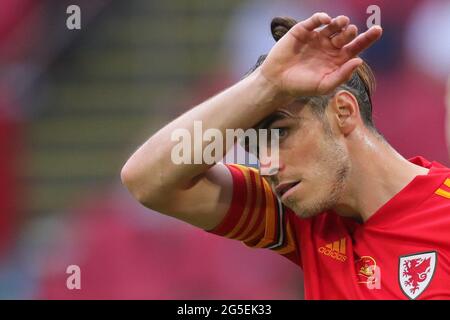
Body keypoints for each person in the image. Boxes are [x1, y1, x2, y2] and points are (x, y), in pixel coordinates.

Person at [121, 13, 450, 299]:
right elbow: (148, 181)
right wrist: (264, 85)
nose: (266, 165)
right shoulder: (303, 220)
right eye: (257, 148)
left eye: (281, 134)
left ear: (344, 113)